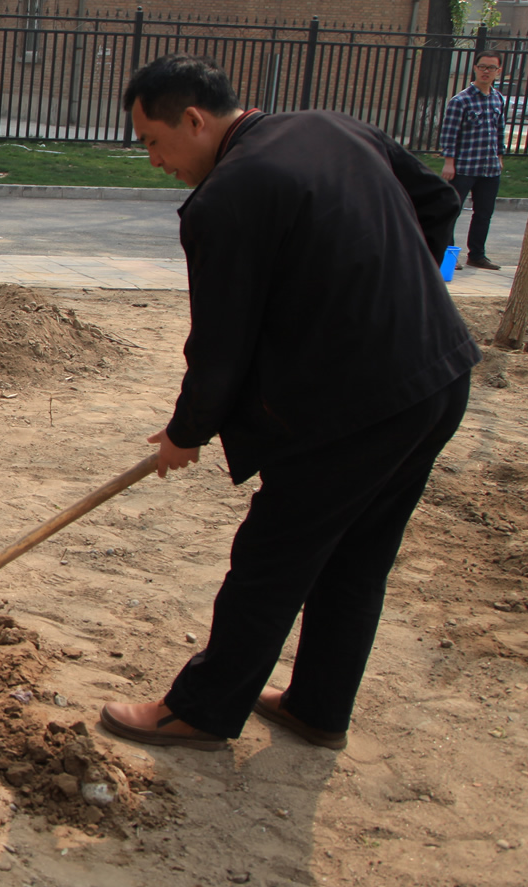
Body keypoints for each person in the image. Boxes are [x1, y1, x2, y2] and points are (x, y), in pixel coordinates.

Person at [101, 56, 478, 754]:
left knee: (273, 554)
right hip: (439, 374)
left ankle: (201, 710)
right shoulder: (337, 128)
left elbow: (220, 344)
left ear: (195, 119)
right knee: (358, 555)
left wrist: (187, 432)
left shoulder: (227, 199)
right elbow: (438, 203)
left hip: (357, 408)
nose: (154, 160)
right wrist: (394, 295)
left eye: (153, 140)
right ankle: (318, 705)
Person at [439, 50, 509, 270]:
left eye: (491, 68)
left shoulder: (498, 98)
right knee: (453, 211)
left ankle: (477, 255)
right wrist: (449, 162)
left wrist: (499, 155)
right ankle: (447, 255)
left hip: (489, 168)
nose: (486, 71)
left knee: (484, 213)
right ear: (475, 68)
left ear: (499, 71)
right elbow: (449, 133)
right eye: (482, 67)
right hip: (464, 167)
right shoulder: (460, 100)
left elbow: (499, 130)